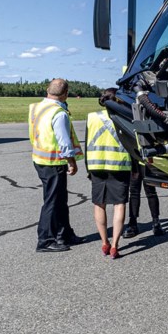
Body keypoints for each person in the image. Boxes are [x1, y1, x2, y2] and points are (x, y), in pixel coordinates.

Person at [29, 78, 85, 253]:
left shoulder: (36, 107)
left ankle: (64, 234)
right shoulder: (58, 113)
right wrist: (72, 161)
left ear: (48, 90)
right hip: (52, 161)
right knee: (52, 201)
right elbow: (63, 141)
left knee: (60, 199)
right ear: (66, 94)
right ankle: (45, 239)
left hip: (40, 158)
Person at [85, 89, 132, 259]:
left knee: (99, 204)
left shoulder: (92, 117)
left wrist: (88, 168)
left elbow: (87, 143)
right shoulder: (125, 117)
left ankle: (104, 242)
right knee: (119, 205)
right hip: (120, 166)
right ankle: (115, 245)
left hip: (96, 164)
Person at [123, 163, 164, 238]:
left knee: (151, 191)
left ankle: (156, 221)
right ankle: (133, 223)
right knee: (134, 192)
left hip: (147, 160)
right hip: (134, 160)